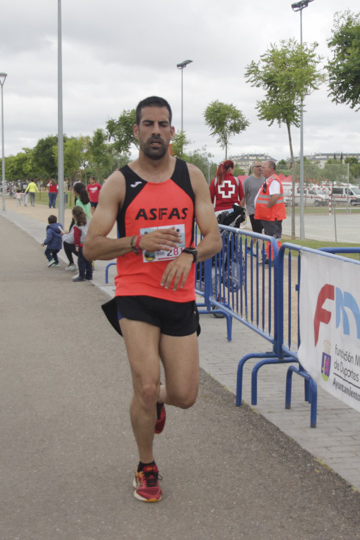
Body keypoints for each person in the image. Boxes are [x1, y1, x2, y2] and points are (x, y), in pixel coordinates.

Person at [84, 96, 220, 503]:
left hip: (178, 296)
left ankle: (158, 402)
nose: (156, 131)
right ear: (137, 131)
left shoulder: (191, 176)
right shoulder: (120, 182)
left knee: (184, 395)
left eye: (163, 124)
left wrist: (189, 253)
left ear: (172, 131)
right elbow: (91, 246)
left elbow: (212, 237)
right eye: (148, 124)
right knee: (144, 386)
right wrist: (134, 241)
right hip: (136, 295)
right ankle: (147, 466)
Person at [254, 159, 285, 263]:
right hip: (268, 217)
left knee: (274, 239)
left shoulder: (274, 181)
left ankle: (275, 259)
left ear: (271, 169)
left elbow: (275, 196)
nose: (261, 169)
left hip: (273, 216)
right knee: (270, 238)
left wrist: (266, 208)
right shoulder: (269, 180)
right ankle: (270, 257)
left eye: (264, 167)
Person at [210, 160, 245, 227]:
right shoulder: (236, 180)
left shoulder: (215, 181)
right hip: (234, 213)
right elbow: (242, 198)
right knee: (233, 236)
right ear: (230, 169)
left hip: (219, 213)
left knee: (220, 235)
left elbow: (209, 199)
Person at [241, 161, 265, 233]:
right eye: (258, 166)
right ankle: (260, 245)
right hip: (252, 209)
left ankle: (249, 244)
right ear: (253, 168)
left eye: (261, 166)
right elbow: (243, 196)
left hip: (263, 209)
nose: (260, 168)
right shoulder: (247, 181)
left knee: (257, 232)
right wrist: (241, 210)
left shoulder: (265, 180)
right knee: (258, 231)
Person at [70, 206, 91, 282]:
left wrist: (76, 246)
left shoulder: (77, 226)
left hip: (82, 245)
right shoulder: (88, 222)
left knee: (81, 261)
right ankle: (89, 275)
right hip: (89, 244)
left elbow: (76, 237)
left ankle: (82, 275)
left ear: (74, 216)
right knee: (88, 260)